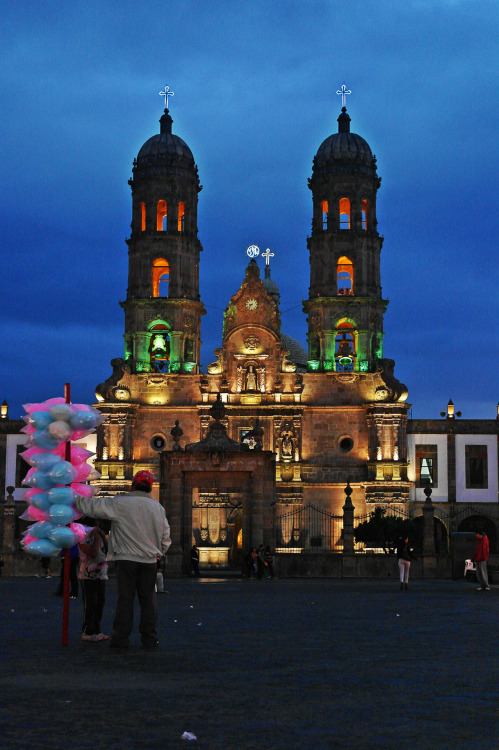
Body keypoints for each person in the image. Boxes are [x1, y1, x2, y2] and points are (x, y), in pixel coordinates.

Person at [74, 470, 171, 649]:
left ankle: (121, 638)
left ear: (133, 485)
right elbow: (166, 537)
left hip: (126, 560)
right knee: (148, 601)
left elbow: (93, 508)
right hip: (149, 561)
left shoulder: (121, 503)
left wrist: (74, 497)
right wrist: (159, 552)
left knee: (125, 599)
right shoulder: (158, 508)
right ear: (150, 488)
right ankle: (149, 638)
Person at [78, 519, 109, 641]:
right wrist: (97, 538)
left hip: (100, 574)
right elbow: (94, 552)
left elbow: (106, 549)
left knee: (99, 604)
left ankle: (96, 630)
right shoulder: (83, 538)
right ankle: (88, 631)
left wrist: (101, 535)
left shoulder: (98, 536)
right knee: (90, 604)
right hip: (88, 574)